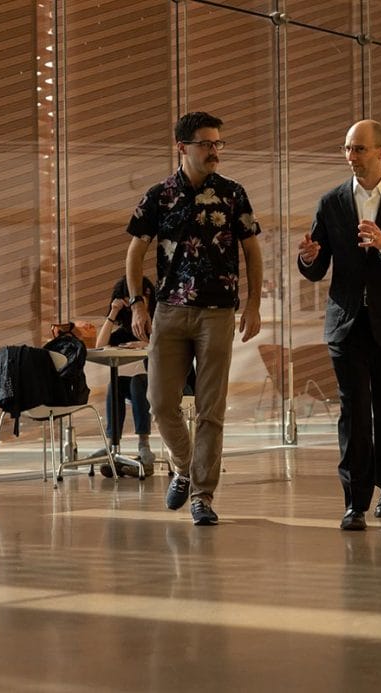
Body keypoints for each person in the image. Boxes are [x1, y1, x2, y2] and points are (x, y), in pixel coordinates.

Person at [125, 111, 263, 526]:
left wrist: (253, 304)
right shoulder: (158, 195)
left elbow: (252, 252)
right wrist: (137, 303)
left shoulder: (234, 193)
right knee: (160, 403)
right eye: (206, 144)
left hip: (218, 313)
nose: (214, 151)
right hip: (169, 310)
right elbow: (135, 253)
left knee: (211, 410)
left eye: (219, 143)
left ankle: (202, 494)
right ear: (182, 147)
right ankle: (185, 468)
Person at [297, 119, 381, 531]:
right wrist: (308, 258)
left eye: (358, 149)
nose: (351, 157)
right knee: (353, 412)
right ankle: (354, 502)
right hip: (346, 324)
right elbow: (318, 266)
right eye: (347, 149)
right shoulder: (331, 202)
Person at [91, 275, 157, 478]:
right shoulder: (131, 329)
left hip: (173, 382)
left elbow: (171, 346)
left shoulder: (162, 318)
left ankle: (144, 446)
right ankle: (114, 446)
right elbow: (100, 346)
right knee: (118, 383)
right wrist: (113, 312)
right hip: (148, 384)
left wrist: (148, 343)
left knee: (139, 380)